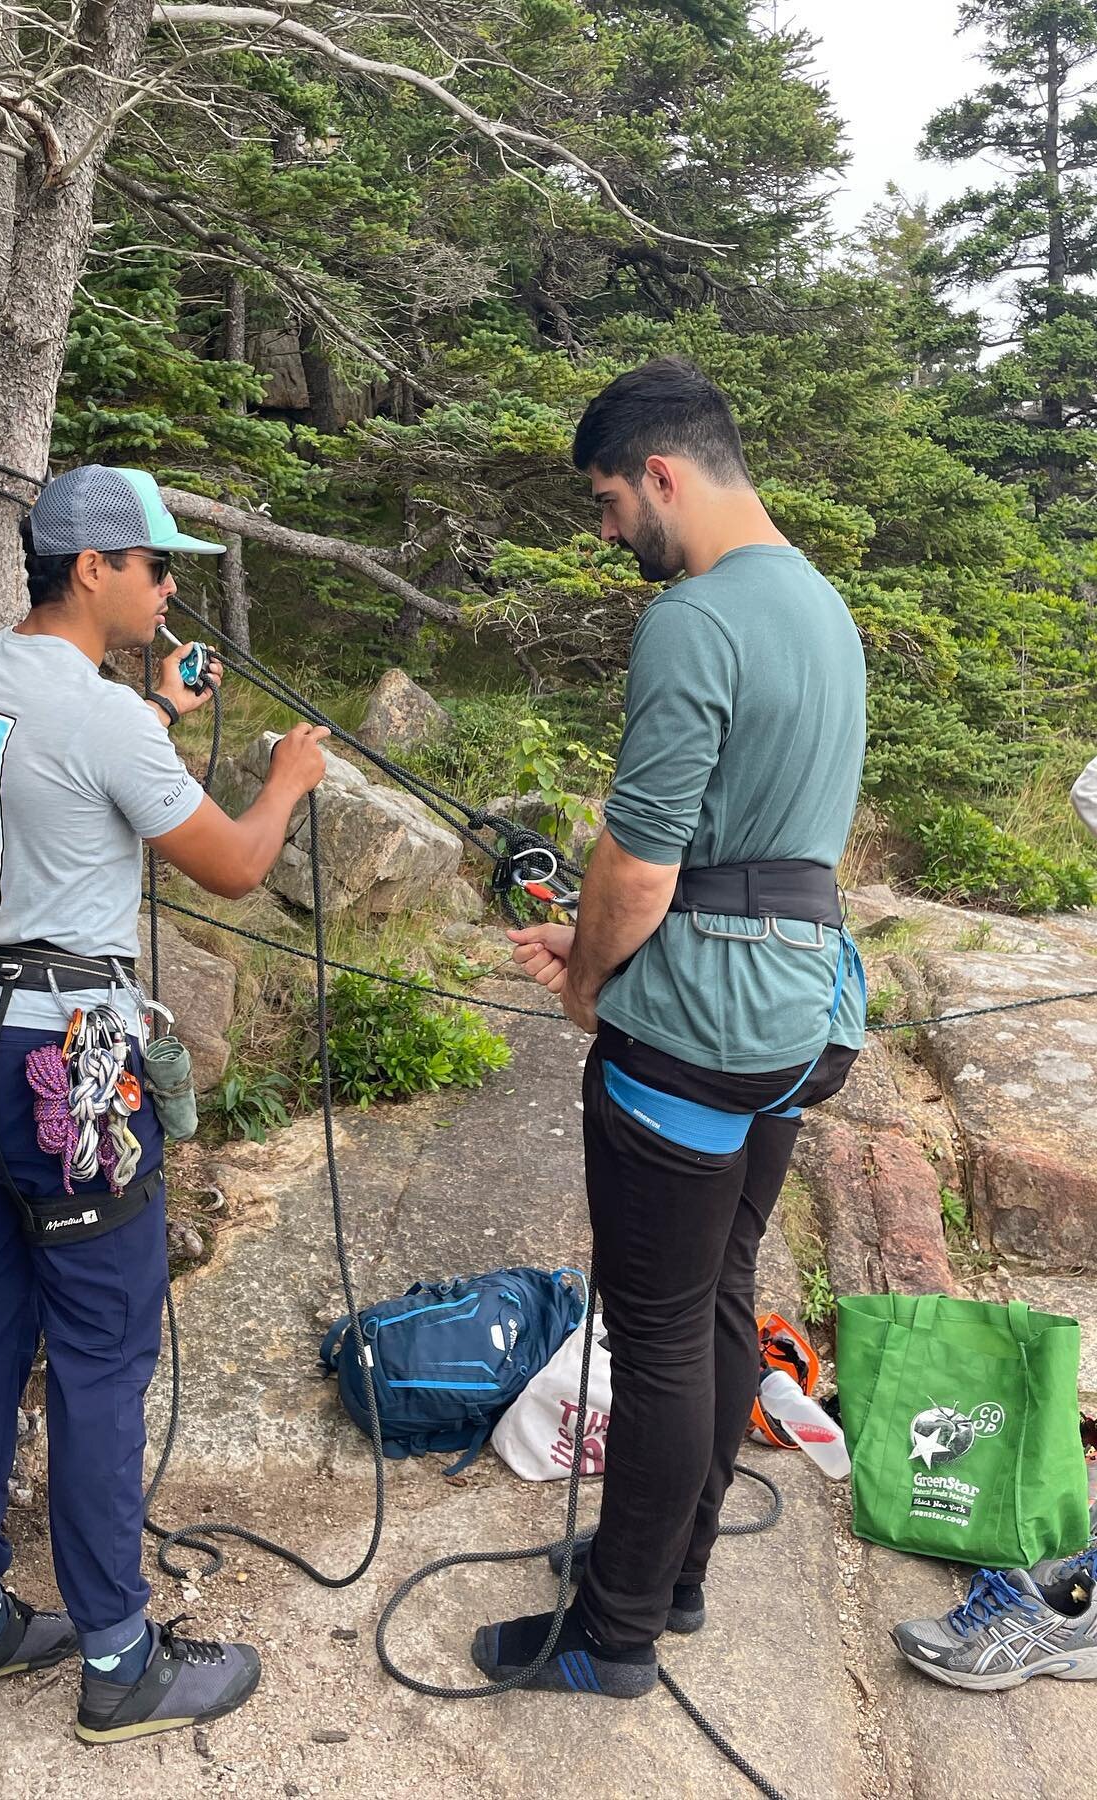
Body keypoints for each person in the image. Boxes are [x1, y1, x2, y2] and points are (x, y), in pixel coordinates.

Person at [0, 464, 330, 1743]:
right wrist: (291, 778)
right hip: (66, 1074)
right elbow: (240, 869)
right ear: (92, 566)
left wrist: (150, 712)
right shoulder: (105, 723)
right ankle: (118, 1656)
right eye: (156, 567)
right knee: (102, 1357)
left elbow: (53, 787)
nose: (168, 587)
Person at [474, 358, 868, 1697]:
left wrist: (587, 977)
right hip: (788, 1025)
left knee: (651, 1338)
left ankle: (614, 1635)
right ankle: (673, 1573)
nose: (606, 532)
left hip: (689, 1032)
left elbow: (640, 867)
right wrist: (596, 943)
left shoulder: (695, 621)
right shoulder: (820, 606)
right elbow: (759, 844)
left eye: (604, 502)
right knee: (716, 1302)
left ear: (661, 475)